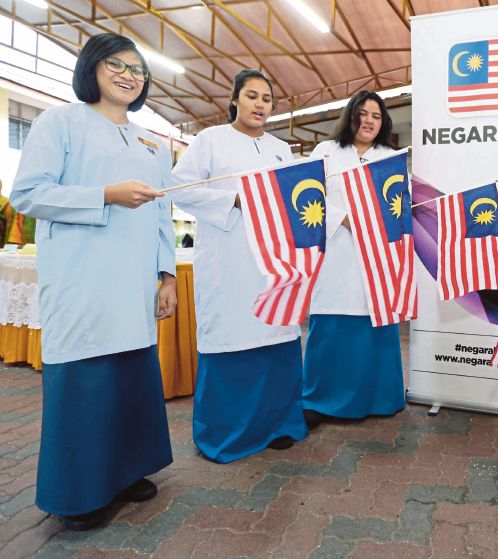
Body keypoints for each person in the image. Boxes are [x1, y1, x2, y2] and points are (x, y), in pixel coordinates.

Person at [12, 32, 176, 530]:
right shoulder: (60, 122)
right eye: (116, 65)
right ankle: (79, 494)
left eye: (138, 69)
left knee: (130, 375)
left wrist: (165, 275)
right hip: (83, 278)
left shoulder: (153, 142)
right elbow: (29, 194)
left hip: (133, 284)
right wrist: (104, 194)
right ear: (92, 68)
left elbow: (163, 212)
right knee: (86, 379)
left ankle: (126, 472)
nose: (129, 75)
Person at [170, 69, 307, 463]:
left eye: (266, 98)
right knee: (232, 335)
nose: (260, 104)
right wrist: (233, 201)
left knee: (277, 334)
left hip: (274, 263)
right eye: (252, 96)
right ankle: (226, 433)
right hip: (229, 258)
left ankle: (279, 423)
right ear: (234, 99)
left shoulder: (282, 149)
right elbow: (181, 189)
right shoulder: (209, 140)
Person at [302, 90, 405, 420]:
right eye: (363, 113)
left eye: (376, 116)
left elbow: (401, 202)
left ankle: (379, 399)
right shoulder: (326, 151)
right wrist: (342, 217)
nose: (369, 121)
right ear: (351, 116)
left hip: (377, 257)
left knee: (373, 325)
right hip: (336, 252)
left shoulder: (390, 157)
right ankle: (319, 401)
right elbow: (306, 191)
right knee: (331, 326)